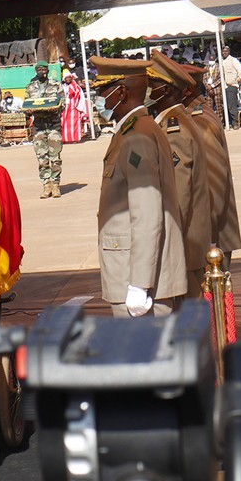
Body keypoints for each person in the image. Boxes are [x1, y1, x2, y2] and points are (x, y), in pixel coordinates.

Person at [90, 57, 187, 318]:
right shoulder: (137, 130)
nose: (99, 98)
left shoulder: (136, 137)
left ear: (121, 92)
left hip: (136, 278)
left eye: (102, 91)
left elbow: (146, 212)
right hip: (135, 274)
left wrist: (139, 284)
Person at [147, 51, 212, 299]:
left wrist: (166, 239)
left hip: (185, 241)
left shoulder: (173, 129)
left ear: (165, 90)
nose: (148, 91)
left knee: (189, 319)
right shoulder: (177, 121)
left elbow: (179, 193)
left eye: (152, 86)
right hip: (191, 239)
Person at [182, 64, 241, 270]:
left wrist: (207, 233)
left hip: (209, 236)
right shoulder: (192, 116)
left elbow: (214, 182)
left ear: (186, 90)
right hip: (207, 234)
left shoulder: (198, 123)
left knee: (209, 300)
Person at [24, 60, 65, 198]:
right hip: (39, 126)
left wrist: (56, 107)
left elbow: (63, 104)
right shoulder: (30, 87)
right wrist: (28, 111)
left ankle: (56, 185)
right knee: (42, 158)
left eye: (44, 69)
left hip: (53, 125)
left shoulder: (56, 85)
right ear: (36, 71)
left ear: (47, 70)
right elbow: (27, 105)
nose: (41, 71)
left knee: (55, 157)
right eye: (39, 69)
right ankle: (46, 185)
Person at [220, 46, 241, 130]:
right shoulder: (220, 61)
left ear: (229, 52)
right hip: (223, 86)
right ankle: (227, 122)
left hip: (231, 85)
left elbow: (240, 71)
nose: (224, 53)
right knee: (224, 105)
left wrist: (236, 80)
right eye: (223, 51)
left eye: (226, 51)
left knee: (232, 105)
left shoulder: (233, 60)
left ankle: (235, 122)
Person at [61, 72, 87, 143]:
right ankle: (65, 139)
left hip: (74, 107)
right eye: (66, 78)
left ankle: (75, 138)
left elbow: (81, 97)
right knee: (64, 123)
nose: (68, 79)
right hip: (64, 108)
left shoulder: (76, 87)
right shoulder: (62, 87)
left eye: (69, 77)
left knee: (75, 123)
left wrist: (80, 107)